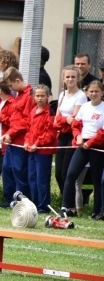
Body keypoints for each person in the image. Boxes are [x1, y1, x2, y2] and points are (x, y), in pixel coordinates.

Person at [61, 80, 104, 219]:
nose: (94, 94)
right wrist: (78, 137)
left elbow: (102, 132)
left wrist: (90, 143)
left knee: (97, 179)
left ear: (102, 93)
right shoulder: (85, 107)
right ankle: (67, 207)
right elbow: (76, 124)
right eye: (91, 91)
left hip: (97, 146)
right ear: (87, 92)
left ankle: (97, 211)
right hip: (82, 144)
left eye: (97, 91)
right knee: (71, 174)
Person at [0, 67, 34, 207]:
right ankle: (10, 199)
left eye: (11, 85)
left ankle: (23, 201)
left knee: (19, 171)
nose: (11, 89)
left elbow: (26, 121)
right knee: (7, 169)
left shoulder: (29, 95)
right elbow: (15, 117)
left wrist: (10, 133)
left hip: (20, 140)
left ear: (18, 80)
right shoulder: (19, 94)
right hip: (12, 139)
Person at [53, 66, 87, 199]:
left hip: (72, 136)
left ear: (78, 78)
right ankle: (65, 198)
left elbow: (74, 120)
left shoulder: (81, 96)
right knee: (58, 173)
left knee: (66, 173)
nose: (70, 79)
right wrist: (64, 120)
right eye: (67, 77)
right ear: (63, 79)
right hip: (62, 134)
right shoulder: (62, 95)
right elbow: (56, 119)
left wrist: (65, 120)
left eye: (73, 76)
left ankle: (69, 203)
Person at [24, 85, 57, 213]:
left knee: (42, 179)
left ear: (48, 97)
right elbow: (29, 130)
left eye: (42, 96)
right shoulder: (33, 111)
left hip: (43, 152)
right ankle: (35, 204)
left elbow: (50, 134)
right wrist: (27, 142)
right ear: (33, 97)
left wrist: (37, 144)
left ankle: (44, 206)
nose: (40, 98)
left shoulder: (50, 112)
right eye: (37, 96)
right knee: (32, 178)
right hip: (31, 150)